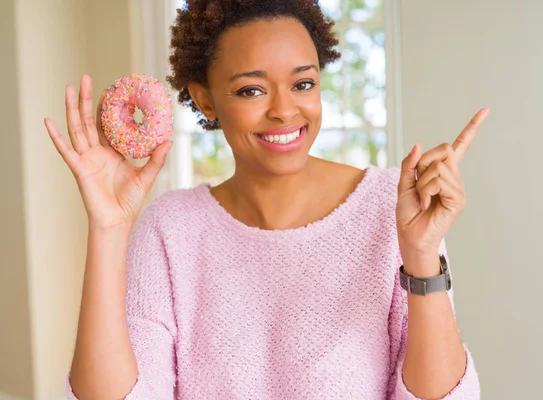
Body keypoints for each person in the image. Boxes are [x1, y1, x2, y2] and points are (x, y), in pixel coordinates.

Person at [43, 1, 488, 399]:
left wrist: (422, 254)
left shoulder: (391, 209)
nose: (284, 110)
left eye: (303, 84)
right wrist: (109, 229)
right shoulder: (170, 229)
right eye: (251, 90)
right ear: (205, 99)